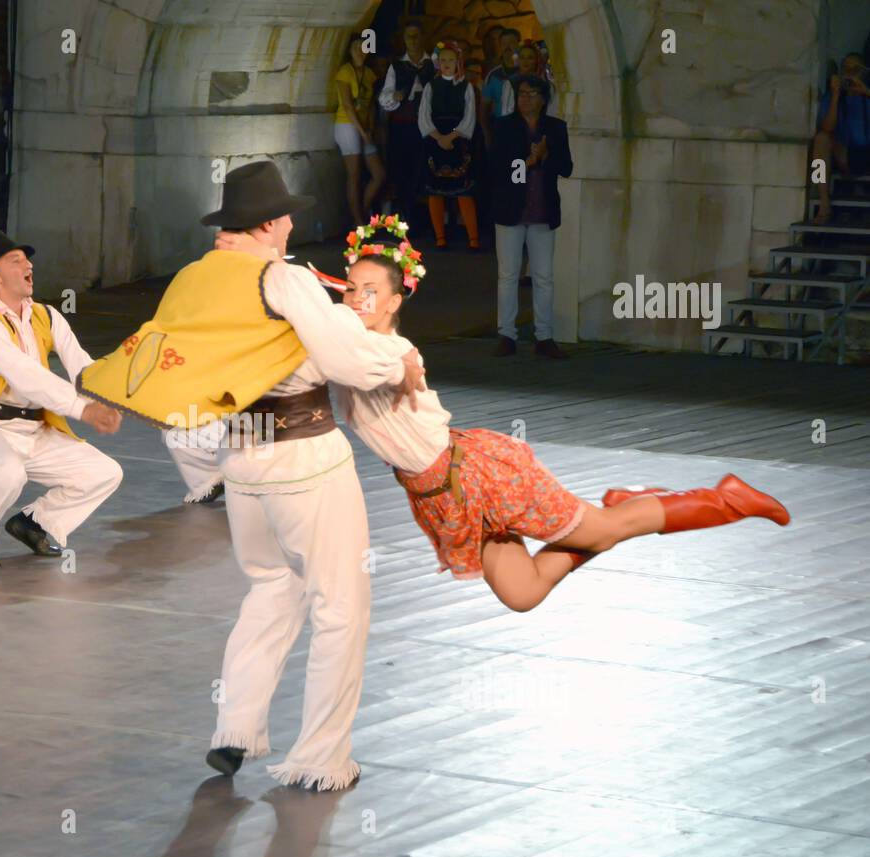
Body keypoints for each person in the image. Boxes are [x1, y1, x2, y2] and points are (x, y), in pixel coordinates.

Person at [76, 161, 426, 791]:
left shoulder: (192, 278)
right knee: (340, 609)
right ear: (266, 225)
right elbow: (341, 356)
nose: (292, 223)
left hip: (240, 461)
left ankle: (235, 729)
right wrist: (399, 362)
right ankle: (321, 758)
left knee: (270, 590)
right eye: (285, 214)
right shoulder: (281, 278)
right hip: (305, 459)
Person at [330, 249, 792, 612]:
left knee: (607, 530)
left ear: (393, 302)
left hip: (481, 477)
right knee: (522, 593)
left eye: (370, 290)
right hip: (445, 499)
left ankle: (729, 498)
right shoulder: (348, 349)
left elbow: (387, 359)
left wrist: (403, 358)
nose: (357, 299)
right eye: (351, 289)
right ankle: (613, 513)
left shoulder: (388, 350)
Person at [0, 231, 123, 568]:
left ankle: (34, 523)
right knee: (8, 473)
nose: (28, 265)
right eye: (15, 261)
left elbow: (82, 366)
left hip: (37, 431)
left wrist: (112, 396)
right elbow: (26, 376)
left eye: (26, 259)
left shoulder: (47, 316)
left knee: (104, 472)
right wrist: (83, 409)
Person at [490, 74, 572, 358]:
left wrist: (546, 157)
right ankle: (506, 335)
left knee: (544, 276)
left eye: (533, 93)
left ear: (543, 98)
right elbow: (497, 167)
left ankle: (544, 336)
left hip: (543, 210)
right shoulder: (504, 127)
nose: (527, 98)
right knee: (508, 275)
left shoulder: (556, 128)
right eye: (522, 93)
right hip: (511, 209)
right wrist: (528, 162)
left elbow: (567, 167)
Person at [419, 42, 480, 250]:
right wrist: (438, 137)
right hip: (435, 139)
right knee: (435, 189)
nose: (446, 64)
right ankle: (440, 237)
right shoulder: (430, 86)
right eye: (443, 60)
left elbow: (470, 116)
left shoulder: (467, 86)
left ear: (458, 62)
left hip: (458, 139)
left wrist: (451, 137)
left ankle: (473, 238)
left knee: (464, 189)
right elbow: (424, 116)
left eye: (451, 60)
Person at [378, 23, 435, 227]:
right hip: (403, 126)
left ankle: (426, 221)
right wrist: (395, 96)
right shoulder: (397, 66)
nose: (413, 40)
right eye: (409, 36)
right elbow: (384, 97)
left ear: (423, 37)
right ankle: (405, 220)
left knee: (425, 172)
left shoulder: (434, 63)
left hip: (429, 127)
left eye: (416, 35)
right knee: (402, 172)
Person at [333, 33, 387, 230]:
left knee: (379, 174)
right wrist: (362, 132)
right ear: (350, 50)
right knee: (354, 174)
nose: (359, 51)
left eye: (363, 47)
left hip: (364, 127)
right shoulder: (345, 72)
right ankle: (358, 222)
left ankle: (361, 212)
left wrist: (370, 127)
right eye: (355, 47)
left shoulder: (369, 73)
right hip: (347, 125)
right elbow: (347, 105)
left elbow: (371, 104)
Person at [812, 53, 870, 223]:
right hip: (844, 155)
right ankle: (823, 202)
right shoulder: (832, 97)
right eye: (846, 69)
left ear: (864, 73)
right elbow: (827, 128)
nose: (850, 74)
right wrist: (836, 96)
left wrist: (866, 92)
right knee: (821, 140)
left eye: (855, 70)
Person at [498, 42, 561, 119]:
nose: (525, 61)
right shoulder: (511, 83)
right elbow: (506, 112)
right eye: (522, 57)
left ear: (537, 61)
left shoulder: (547, 85)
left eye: (530, 58)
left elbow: (552, 113)